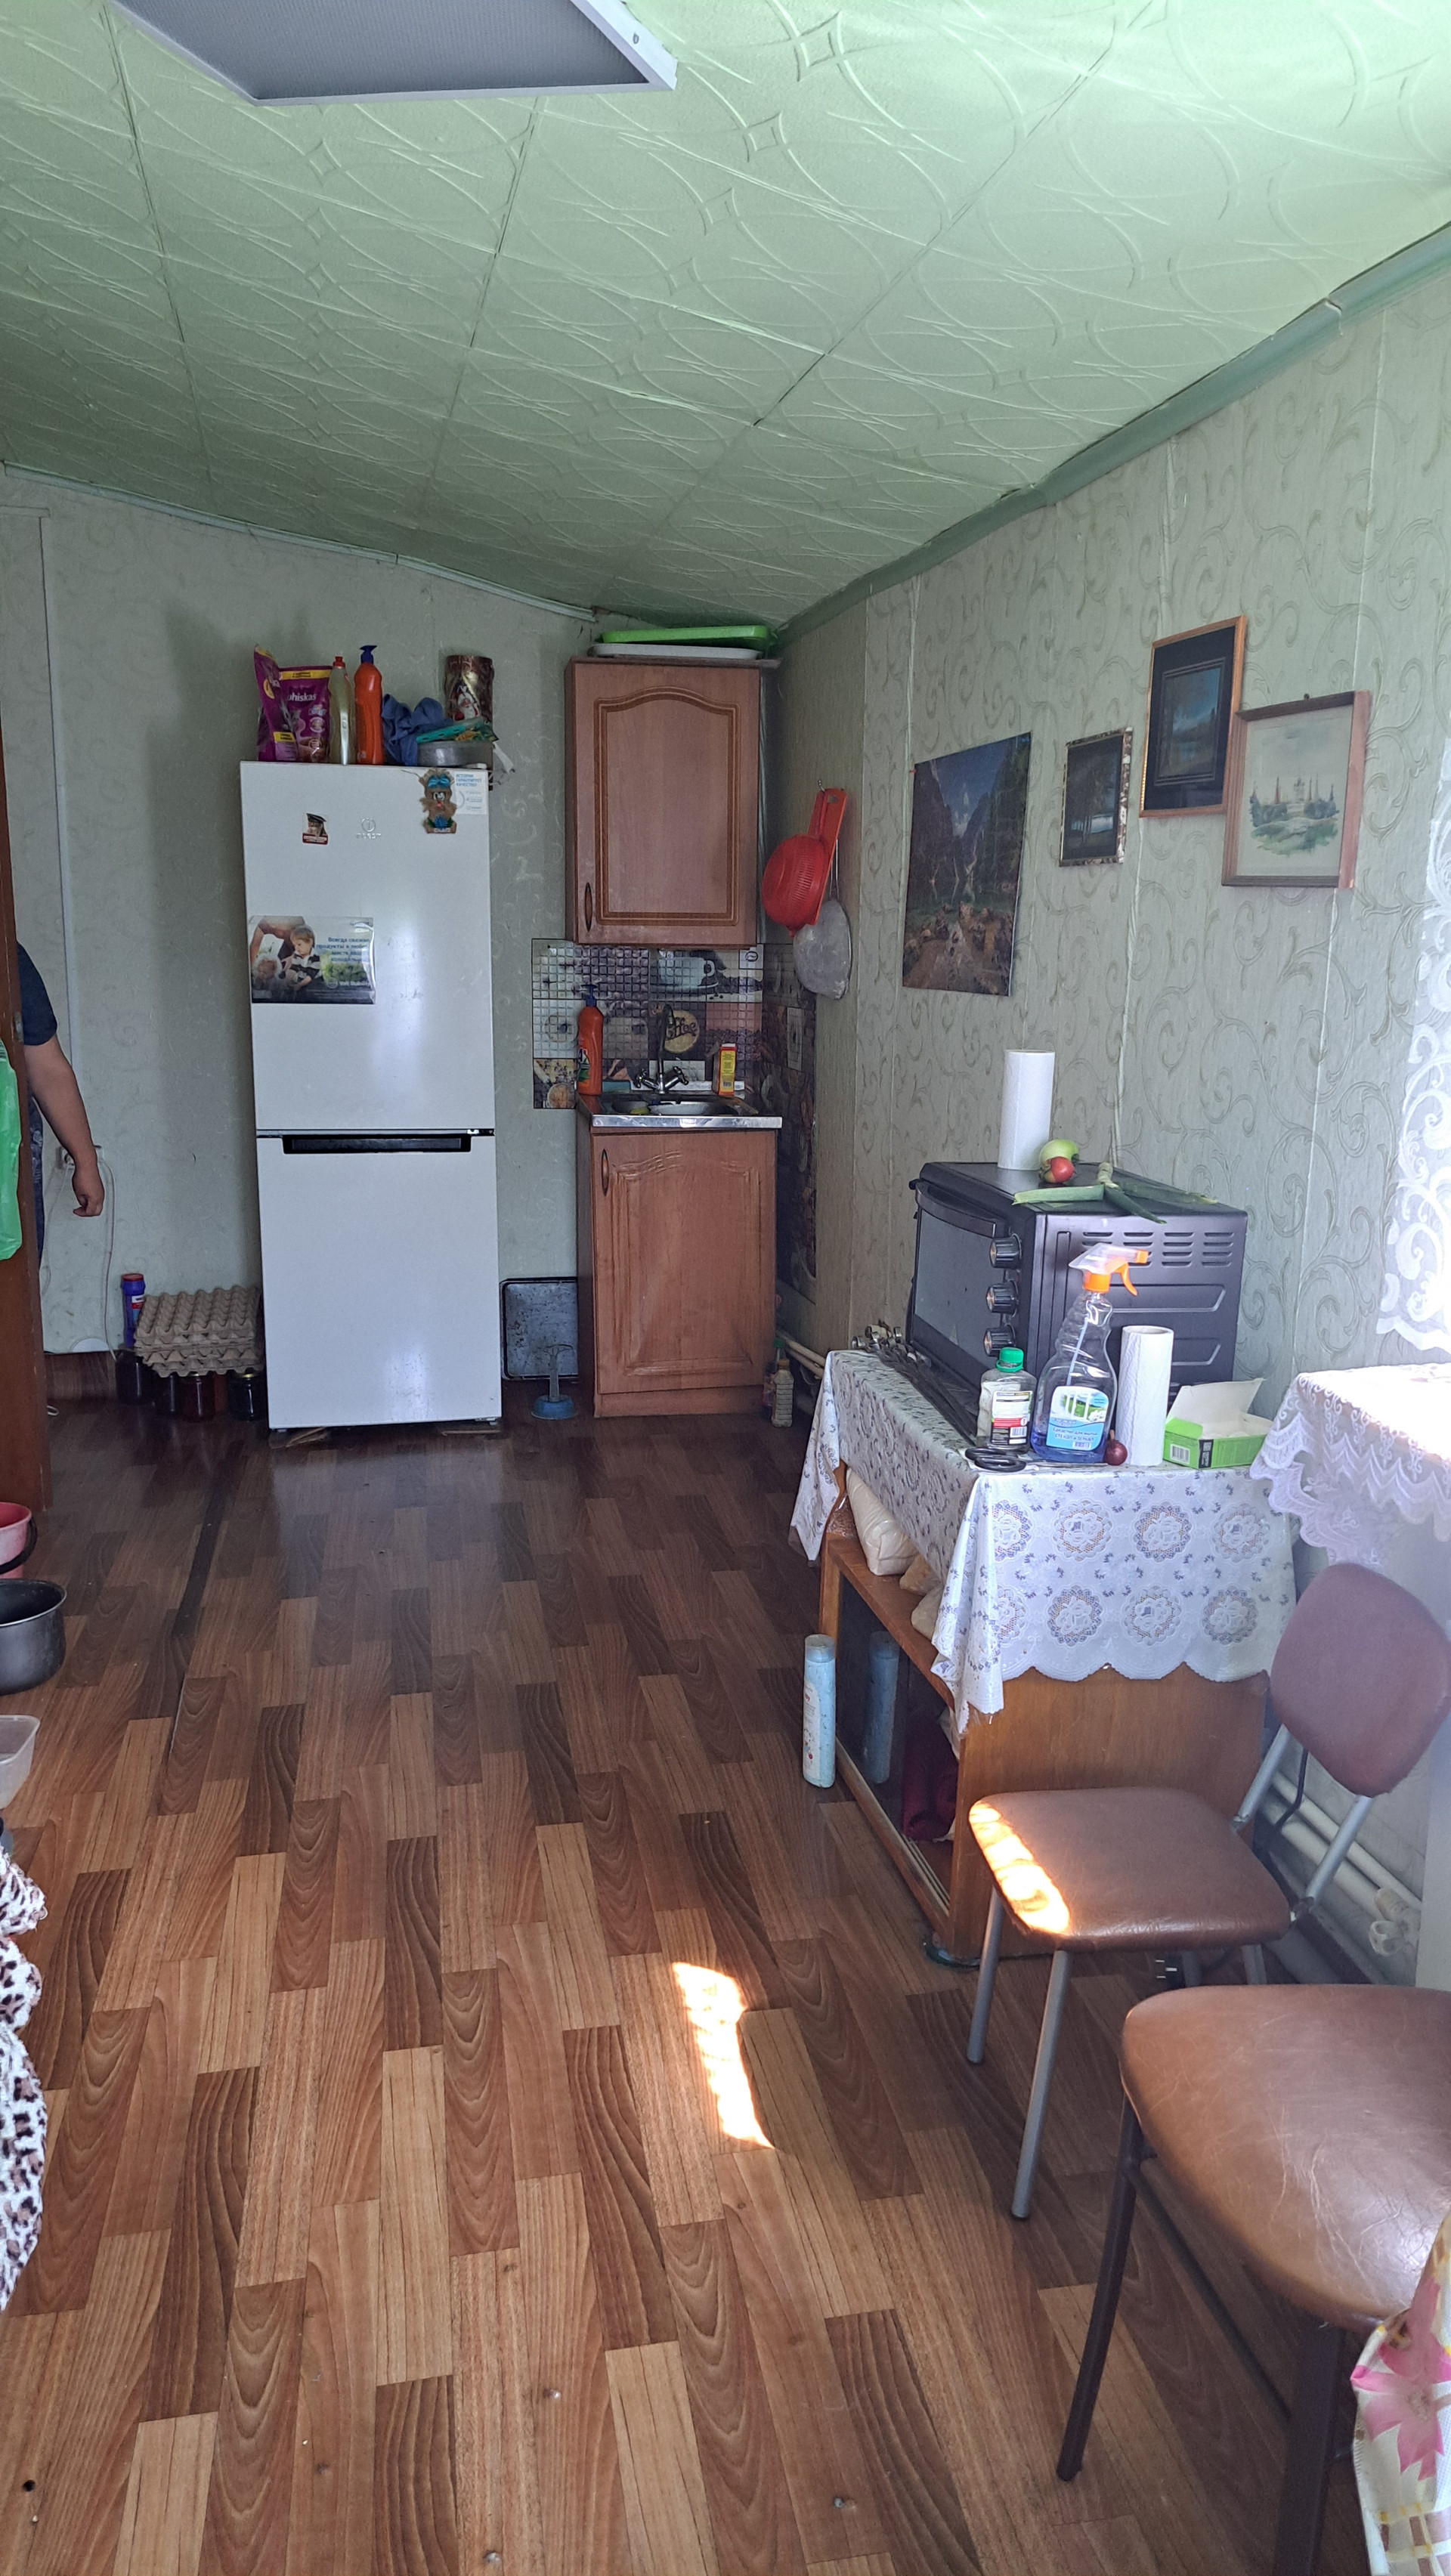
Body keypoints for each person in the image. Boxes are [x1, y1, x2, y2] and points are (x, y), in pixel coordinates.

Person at [16, 946, 104, 1253]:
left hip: (9, 1165)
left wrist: (86, 1161)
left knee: (18, 1272)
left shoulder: (6, 955)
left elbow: (48, 1069)